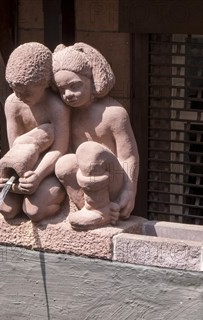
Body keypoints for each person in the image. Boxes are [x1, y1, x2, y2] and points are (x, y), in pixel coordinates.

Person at [52, 43, 139, 229]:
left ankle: (100, 210)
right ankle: (90, 208)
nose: (68, 95)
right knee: (64, 163)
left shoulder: (114, 113)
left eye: (75, 86)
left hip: (112, 179)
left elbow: (128, 156)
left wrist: (129, 191)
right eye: (61, 90)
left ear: (91, 80)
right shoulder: (66, 114)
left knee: (88, 150)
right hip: (85, 183)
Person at [0, 42, 70, 222]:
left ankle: (57, 200)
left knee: (34, 211)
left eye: (26, 92)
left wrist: (38, 175)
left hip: (47, 169)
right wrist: (3, 176)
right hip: (23, 168)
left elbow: (59, 149)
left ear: (43, 83)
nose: (20, 96)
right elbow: (15, 147)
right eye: (15, 89)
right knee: (6, 209)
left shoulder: (56, 107)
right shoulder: (13, 104)